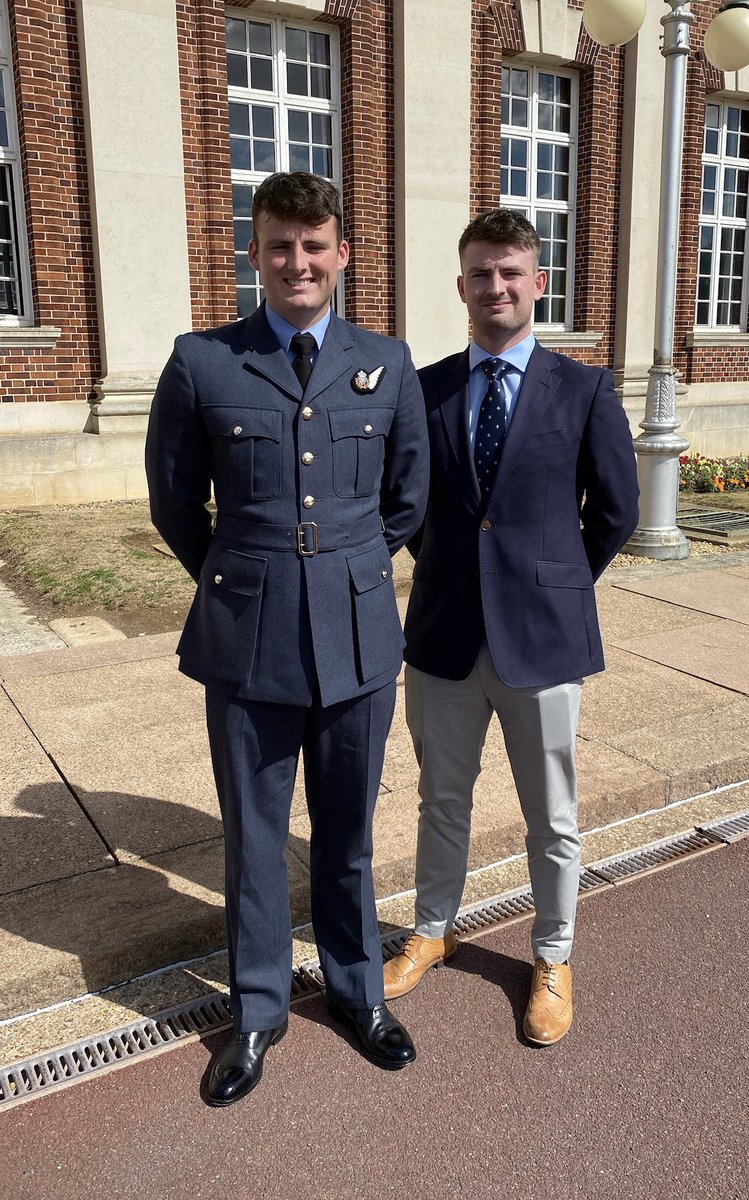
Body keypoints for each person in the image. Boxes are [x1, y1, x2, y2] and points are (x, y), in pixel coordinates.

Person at [146, 171, 428, 1105]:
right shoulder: (202, 360)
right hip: (246, 638)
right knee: (255, 839)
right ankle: (257, 1011)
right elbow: (176, 502)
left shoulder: (385, 361)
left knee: (346, 833)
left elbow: (407, 500)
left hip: (356, 637)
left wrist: (342, 568)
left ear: (342, 253)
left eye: (314, 245)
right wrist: (249, 576)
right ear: (255, 251)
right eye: (278, 244)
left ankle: (357, 992)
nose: (296, 262)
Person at [383, 210, 639, 1045]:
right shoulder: (425, 388)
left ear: (536, 282)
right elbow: (407, 507)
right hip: (445, 635)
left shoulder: (584, 389)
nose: (495, 286)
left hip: (544, 639)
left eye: (510, 272)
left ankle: (553, 955)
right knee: (440, 800)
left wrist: (554, 582)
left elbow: (615, 512)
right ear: (461, 287)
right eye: (480, 274)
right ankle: (431, 929)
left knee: (552, 816)